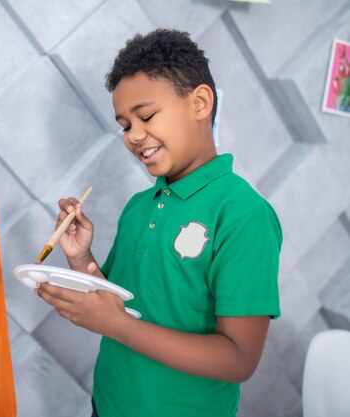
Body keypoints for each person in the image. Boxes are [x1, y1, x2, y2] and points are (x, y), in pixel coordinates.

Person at [34, 29, 282, 417]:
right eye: (124, 125)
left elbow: (238, 359)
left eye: (146, 116)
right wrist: (81, 258)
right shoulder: (139, 206)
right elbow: (115, 304)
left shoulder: (243, 214)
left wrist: (118, 327)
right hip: (109, 404)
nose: (134, 136)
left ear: (200, 103)